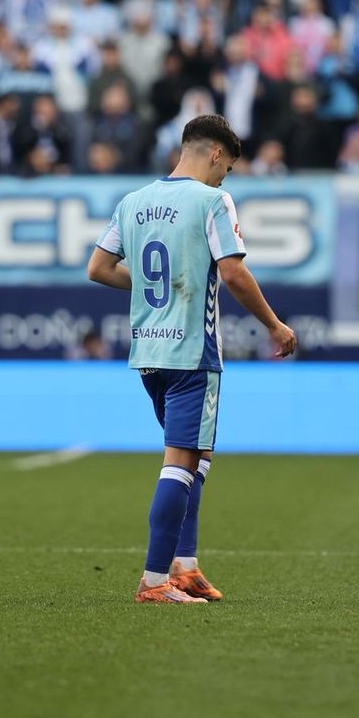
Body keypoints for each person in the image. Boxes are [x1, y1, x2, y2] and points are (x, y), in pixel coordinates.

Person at [86, 115, 297, 604]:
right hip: (192, 352)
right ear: (217, 154)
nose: (227, 178)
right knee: (181, 462)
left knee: (195, 457)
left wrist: (148, 287)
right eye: (229, 168)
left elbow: (98, 268)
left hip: (148, 352)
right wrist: (274, 325)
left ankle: (185, 565)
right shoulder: (211, 200)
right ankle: (155, 580)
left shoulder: (133, 201)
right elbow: (234, 274)